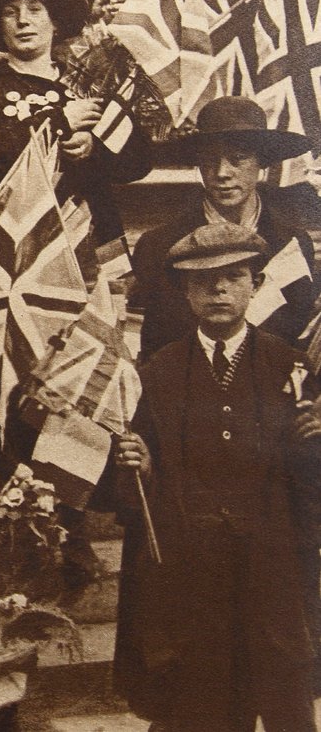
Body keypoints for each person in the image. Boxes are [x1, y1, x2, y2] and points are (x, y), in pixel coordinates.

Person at [113, 223, 321, 732]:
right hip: (192, 566)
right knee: (201, 697)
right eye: (204, 282)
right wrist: (141, 464)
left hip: (272, 568)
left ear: (255, 284)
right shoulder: (155, 373)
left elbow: (309, 485)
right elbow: (134, 493)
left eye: (233, 277)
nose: (220, 291)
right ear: (185, 293)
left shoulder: (289, 367)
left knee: (282, 693)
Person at [0, 0, 147, 239]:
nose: (23, 21)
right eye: (10, 12)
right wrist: (60, 122)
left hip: (94, 231)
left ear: (55, 21)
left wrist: (95, 146)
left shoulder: (87, 83)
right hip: (20, 237)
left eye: (34, 9)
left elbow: (137, 163)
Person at [131, 96, 317, 360]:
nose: (221, 173)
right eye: (209, 161)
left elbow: (299, 340)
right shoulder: (158, 246)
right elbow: (154, 351)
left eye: (237, 159)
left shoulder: (293, 244)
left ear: (261, 163)